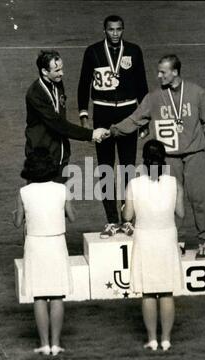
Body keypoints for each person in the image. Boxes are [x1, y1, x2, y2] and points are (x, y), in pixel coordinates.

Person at [111, 54, 205, 258]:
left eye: (163, 72)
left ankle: (203, 240)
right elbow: (135, 119)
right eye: (158, 71)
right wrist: (113, 130)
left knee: (199, 198)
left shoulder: (197, 93)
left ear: (175, 72)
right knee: (172, 200)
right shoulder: (153, 98)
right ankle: (177, 240)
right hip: (168, 157)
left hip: (195, 154)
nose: (158, 76)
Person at [77, 15, 148, 238]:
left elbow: (142, 85)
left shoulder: (134, 51)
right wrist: (83, 113)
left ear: (123, 30)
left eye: (119, 29)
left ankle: (127, 220)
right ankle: (110, 220)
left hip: (129, 114)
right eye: (111, 30)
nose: (115, 33)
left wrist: (144, 119)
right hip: (103, 113)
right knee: (106, 168)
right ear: (104, 30)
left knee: (127, 167)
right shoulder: (93, 52)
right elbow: (83, 83)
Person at [122, 140, 184, 351]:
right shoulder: (174, 183)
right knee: (166, 292)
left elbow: (127, 216)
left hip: (146, 240)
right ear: (164, 158)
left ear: (144, 160)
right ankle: (166, 339)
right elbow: (181, 213)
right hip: (166, 239)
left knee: (149, 293)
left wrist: (125, 206)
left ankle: (152, 339)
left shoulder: (134, 185)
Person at [13, 148, 75, 356]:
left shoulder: (24, 193)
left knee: (40, 296)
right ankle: (56, 344)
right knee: (57, 295)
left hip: (35, 245)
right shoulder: (61, 189)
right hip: (56, 242)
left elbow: (17, 222)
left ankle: (44, 343)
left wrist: (19, 212)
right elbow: (72, 217)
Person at [25, 49, 110, 183]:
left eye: (61, 69)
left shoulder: (57, 83)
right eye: (57, 70)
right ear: (44, 71)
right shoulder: (35, 94)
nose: (62, 73)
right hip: (41, 159)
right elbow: (57, 123)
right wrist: (90, 134)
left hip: (60, 154)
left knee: (59, 200)